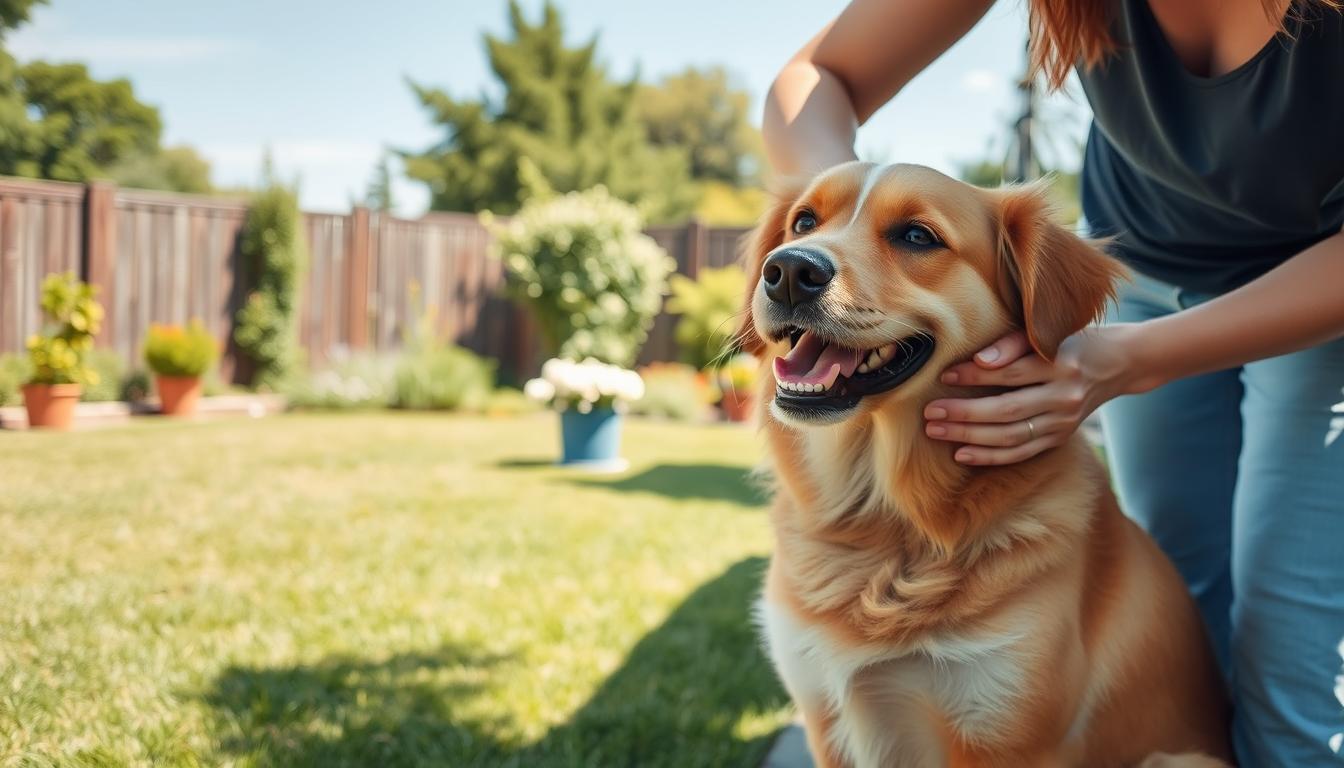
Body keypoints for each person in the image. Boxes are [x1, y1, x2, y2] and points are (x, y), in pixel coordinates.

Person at [762, 0, 1344, 763]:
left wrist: (1130, 359)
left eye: (915, 238)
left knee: (1290, 670)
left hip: (1316, 292)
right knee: (1183, 603)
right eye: (801, 232)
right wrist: (830, 240)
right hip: (1144, 262)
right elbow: (817, 74)